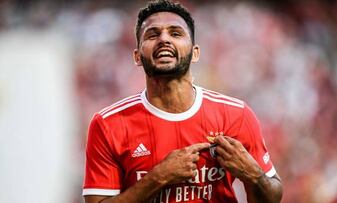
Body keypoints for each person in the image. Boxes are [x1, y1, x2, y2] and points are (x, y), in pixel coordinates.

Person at [82, 0, 283, 202]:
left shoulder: (236, 115)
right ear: (137, 56)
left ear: (195, 53)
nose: (164, 40)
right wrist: (158, 177)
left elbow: (273, 197)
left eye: (175, 33)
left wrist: (254, 175)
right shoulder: (108, 124)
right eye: (152, 35)